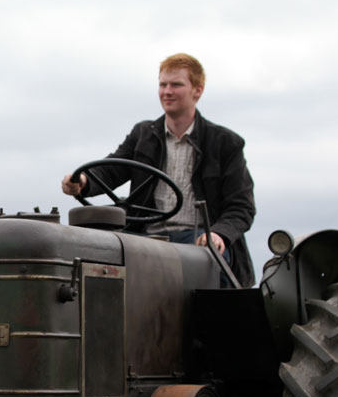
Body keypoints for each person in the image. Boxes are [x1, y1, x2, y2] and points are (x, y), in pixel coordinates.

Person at [61, 53, 256, 287]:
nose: (167, 91)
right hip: (145, 235)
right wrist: (83, 181)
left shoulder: (224, 143)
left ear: (197, 90)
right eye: (163, 85)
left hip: (195, 236)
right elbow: (111, 169)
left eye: (176, 85)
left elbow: (241, 207)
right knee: (94, 254)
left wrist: (218, 233)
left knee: (214, 260)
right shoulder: (144, 134)